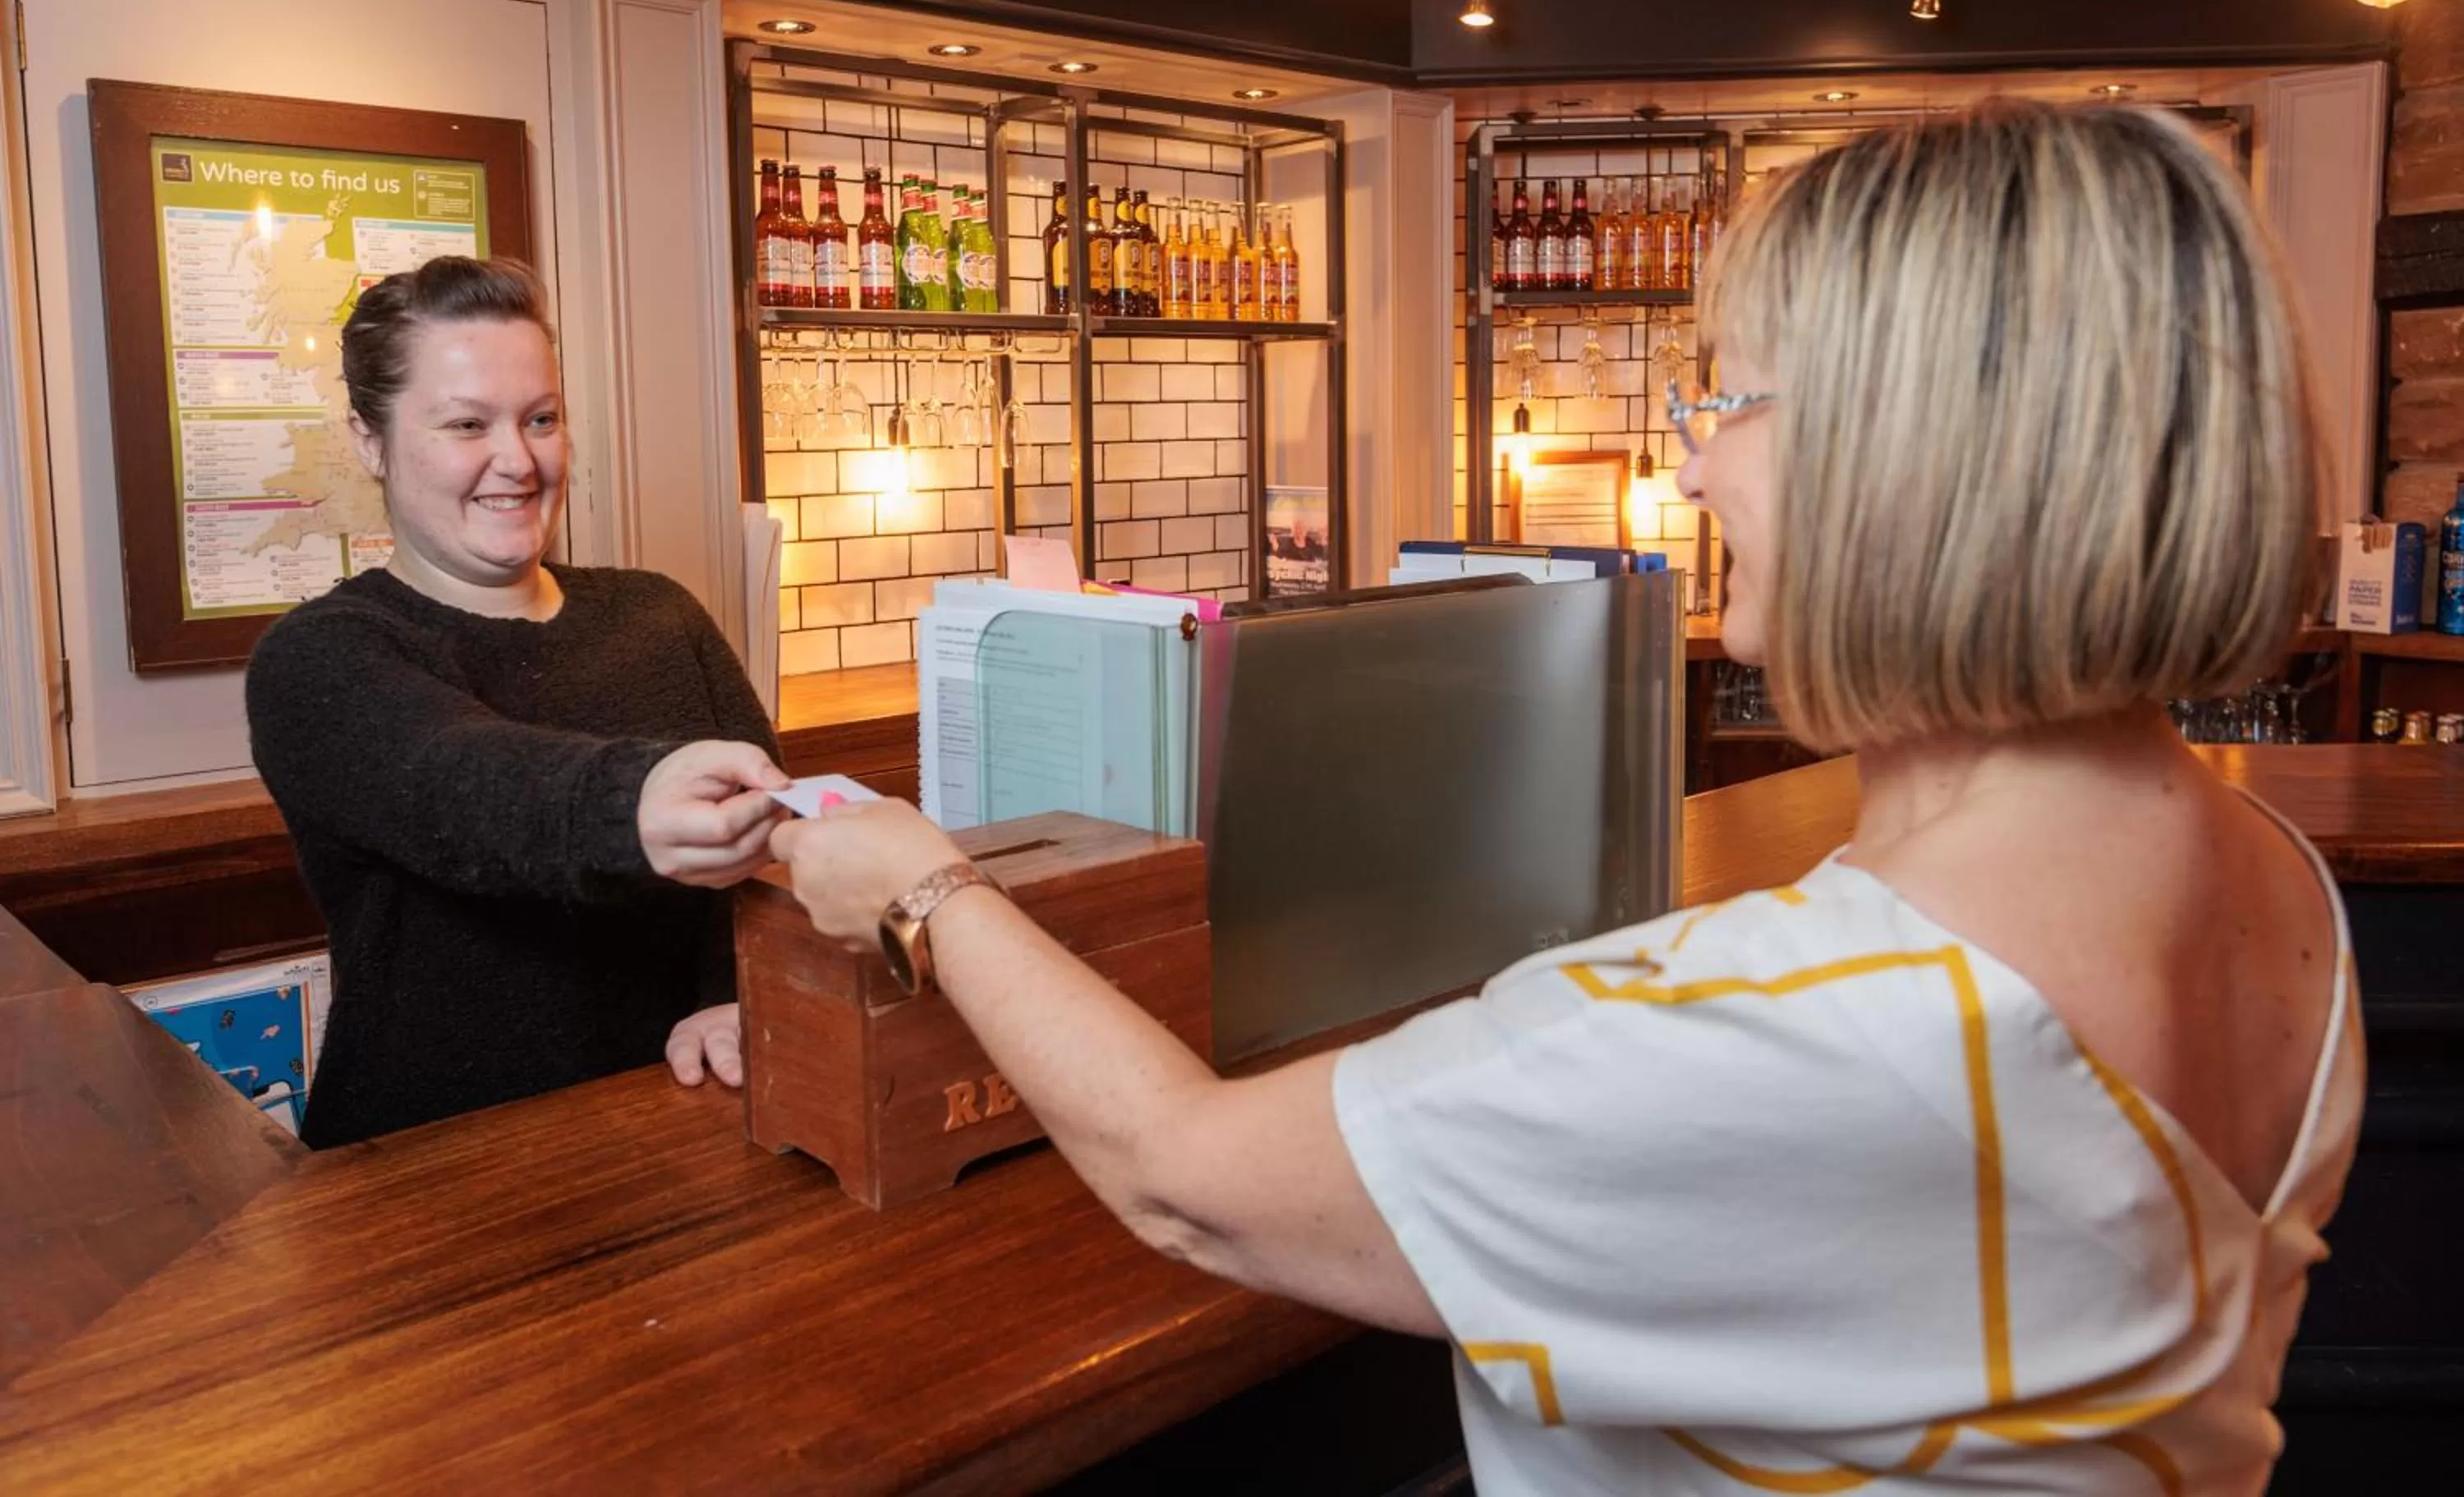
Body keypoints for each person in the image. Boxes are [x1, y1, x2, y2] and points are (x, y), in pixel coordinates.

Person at [770, 102, 2361, 1495]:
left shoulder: (1828, 1021)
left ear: (1904, 460)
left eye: (1729, 404)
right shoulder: (2267, 870)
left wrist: (924, 887)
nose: (1696, 472)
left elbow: (1192, 1178)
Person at [246, 256, 788, 1149]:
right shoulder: (318, 659)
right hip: (432, 1169)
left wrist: (738, 994)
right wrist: (633, 800)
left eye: (541, 419)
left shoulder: (658, 613)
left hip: (683, 1132)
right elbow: (463, 782)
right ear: (368, 439)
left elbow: (760, 869)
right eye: (467, 424)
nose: (519, 460)